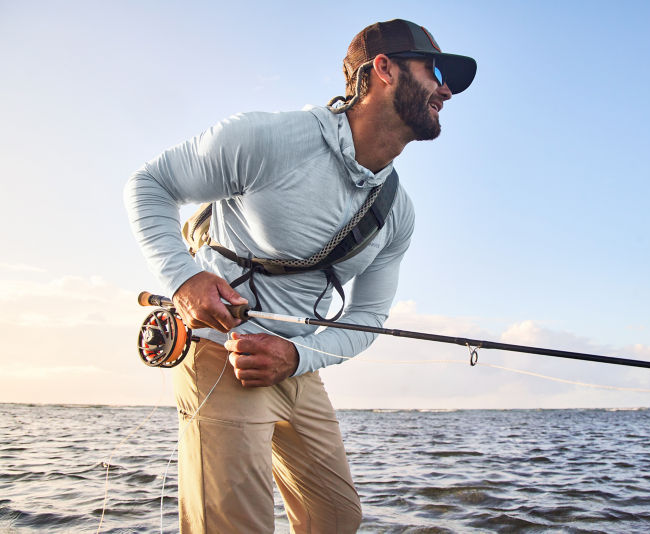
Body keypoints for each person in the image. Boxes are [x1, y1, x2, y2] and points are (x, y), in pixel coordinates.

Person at [125, 18, 476, 533]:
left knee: (336, 518)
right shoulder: (272, 139)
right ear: (383, 70)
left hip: (297, 368)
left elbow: (368, 315)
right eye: (435, 70)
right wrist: (184, 280)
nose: (446, 89)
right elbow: (149, 183)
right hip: (219, 351)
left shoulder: (399, 211)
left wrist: (296, 356)